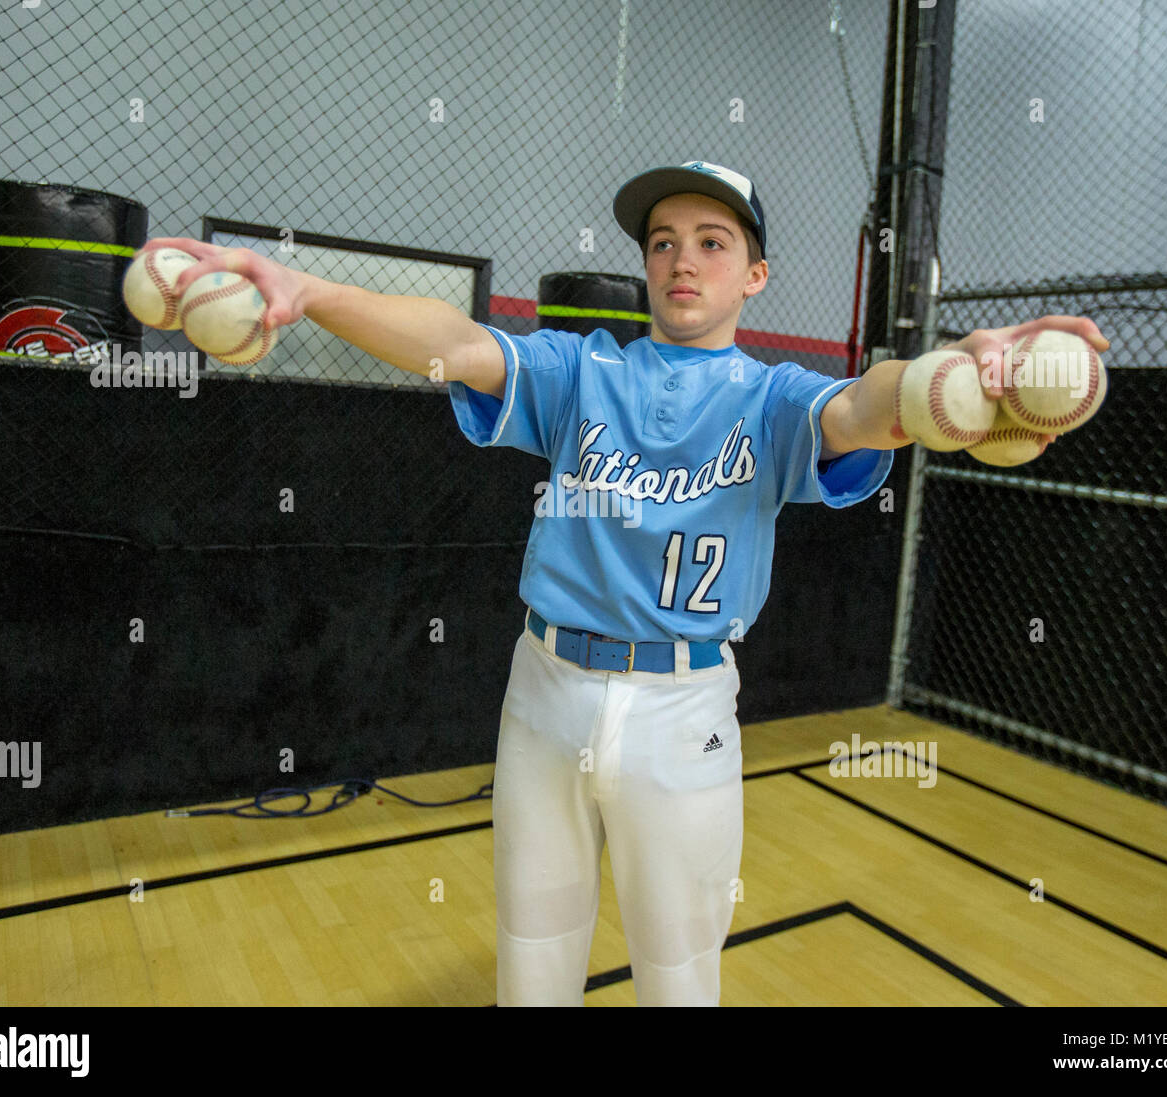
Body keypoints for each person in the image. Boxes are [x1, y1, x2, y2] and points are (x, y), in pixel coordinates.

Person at [145, 159, 1107, 1006]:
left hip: (680, 710)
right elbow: (454, 337)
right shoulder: (580, 372)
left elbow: (869, 403)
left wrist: (950, 373)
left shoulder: (773, 399)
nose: (682, 260)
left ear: (755, 275)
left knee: (679, 975)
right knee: (532, 964)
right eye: (663, 241)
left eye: (713, 241)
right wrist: (308, 289)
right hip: (544, 694)